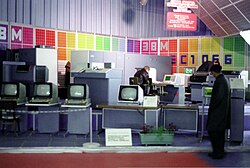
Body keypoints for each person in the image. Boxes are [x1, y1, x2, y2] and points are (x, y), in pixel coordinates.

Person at [206, 64, 230, 159]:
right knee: (219, 133)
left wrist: (212, 107)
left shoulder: (219, 81)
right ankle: (219, 151)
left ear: (214, 72)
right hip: (222, 111)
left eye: (212, 73)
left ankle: (218, 152)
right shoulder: (224, 80)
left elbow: (217, 98)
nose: (212, 75)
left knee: (214, 132)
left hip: (218, 112)